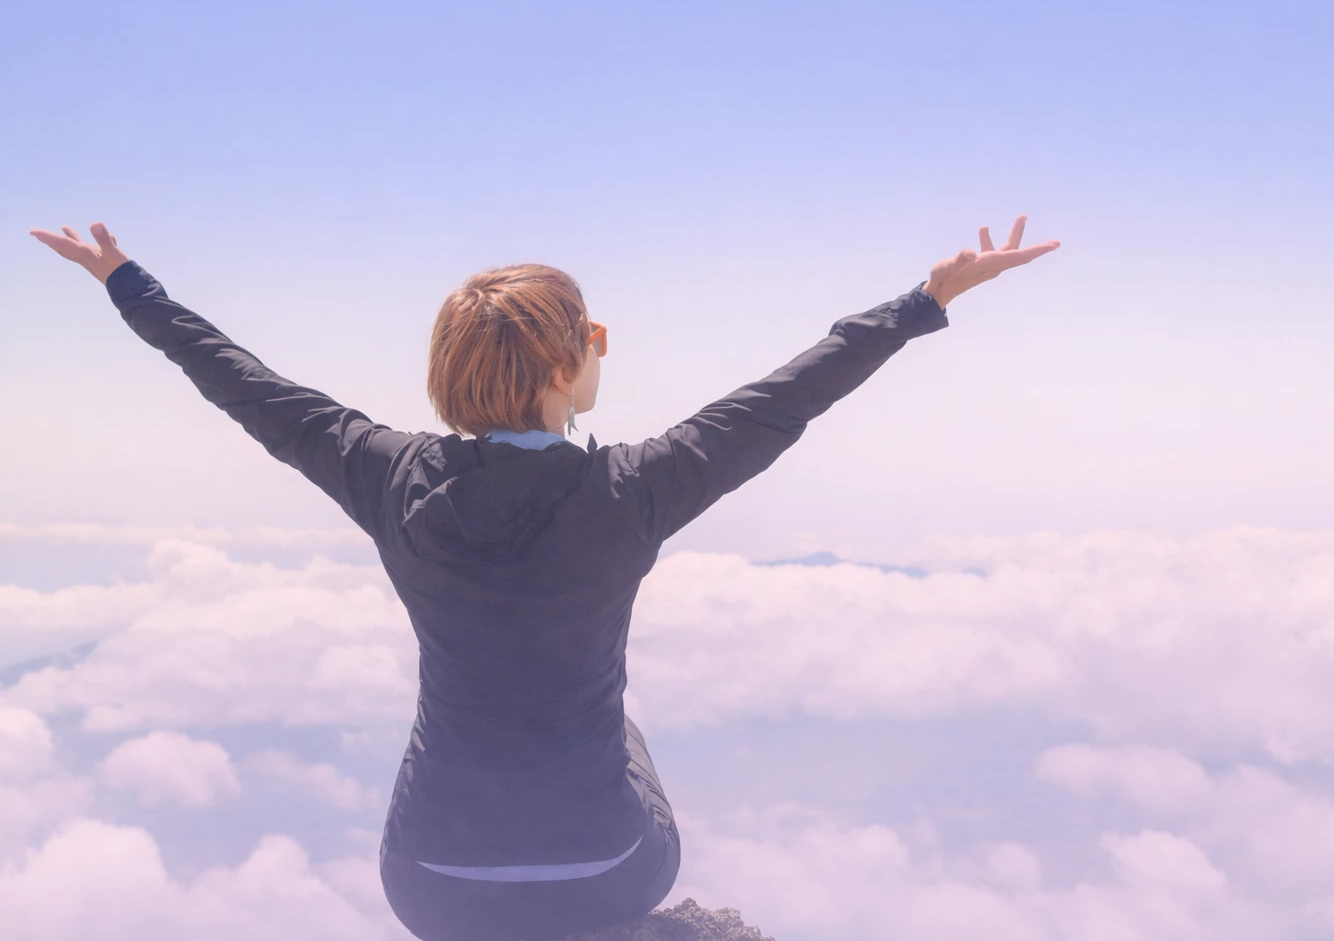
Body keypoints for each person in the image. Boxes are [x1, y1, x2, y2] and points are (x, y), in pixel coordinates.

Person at [28, 216, 1062, 940]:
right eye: (594, 338)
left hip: (434, 894)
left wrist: (130, 284)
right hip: (612, 870)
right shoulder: (637, 490)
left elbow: (239, 380)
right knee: (613, 720)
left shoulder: (382, 474)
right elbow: (786, 397)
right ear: (570, 364)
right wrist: (925, 300)